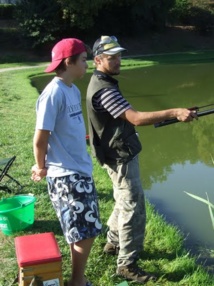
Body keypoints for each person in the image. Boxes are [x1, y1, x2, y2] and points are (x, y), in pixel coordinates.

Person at [86, 35, 198, 284]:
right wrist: (174, 111)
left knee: (121, 200)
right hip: (120, 157)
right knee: (133, 207)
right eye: (111, 57)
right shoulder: (105, 90)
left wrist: (178, 113)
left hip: (115, 154)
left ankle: (113, 244)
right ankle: (127, 264)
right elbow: (135, 118)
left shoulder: (101, 81)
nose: (118, 61)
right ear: (97, 60)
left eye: (119, 55)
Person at [31, 38, 102, 286]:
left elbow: (67, 129)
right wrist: (40, 167)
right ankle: (77, 281)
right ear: (68, 62)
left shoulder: (71, 89)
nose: (87, 65)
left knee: (82, 230)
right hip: (66, 175)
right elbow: (40, 138)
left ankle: (76, 279)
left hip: (80, 169)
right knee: (86, 231)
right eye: (83, 60)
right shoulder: (53, 93)